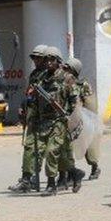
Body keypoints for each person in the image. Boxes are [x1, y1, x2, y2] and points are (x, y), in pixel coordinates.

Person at [25, 46, 83, 197]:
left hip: (59, 120)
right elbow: (33, 97)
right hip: (43, 120)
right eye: (46, 60)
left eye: (52, 60)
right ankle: (75, 173)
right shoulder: (41, 78)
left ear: (58, 62)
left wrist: (68, 115)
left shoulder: (66, 78)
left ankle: (51, 184)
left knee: (52, 151)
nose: (49, 63)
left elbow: (73, 100)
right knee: (40, 151)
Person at [8, 44, 49, 193]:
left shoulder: (49, 75)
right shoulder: (34, 74)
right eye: (34, 57)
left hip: (46, 116)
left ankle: (66, 175)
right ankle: (27, 178)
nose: (36, 60)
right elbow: (29, 93)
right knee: (30, 146)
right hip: (33, 114)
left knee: (47, 149)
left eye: (39, 58)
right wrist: (23, 106)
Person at [64, 57, 100, 180]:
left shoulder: (83, 85)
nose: (64, 70)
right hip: (67, 119)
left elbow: (90, 104)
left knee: (86, 144)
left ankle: (94, 166)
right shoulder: (63, 83)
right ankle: (70, 172)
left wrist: (89, 120)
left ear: (74, 70)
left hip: (81, 119)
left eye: (67, 68)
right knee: (66, 146)